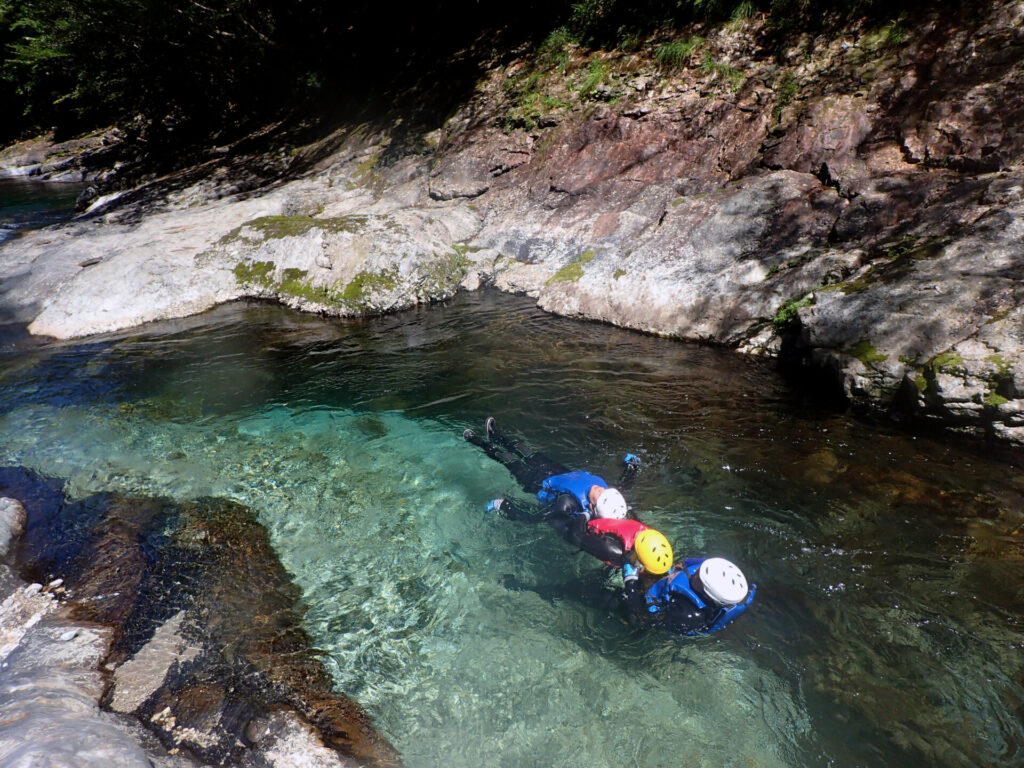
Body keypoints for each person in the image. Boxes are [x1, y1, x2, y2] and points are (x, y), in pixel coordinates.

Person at [463, 416, 644, 566]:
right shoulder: (608, 495)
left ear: (591, 505)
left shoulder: (568, 503)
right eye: (605, 490)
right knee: (528, 451)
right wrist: (632, 467)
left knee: (507, 459)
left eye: (599, 494)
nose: (600, 488)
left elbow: (534, 516)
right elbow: (625, 484)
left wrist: (503, 506)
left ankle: (477, 442)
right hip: (558, 471)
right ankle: (496, 435)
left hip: (535, 481)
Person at [623, 529, 756, 635]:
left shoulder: (688, 615)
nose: (696, 570)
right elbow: (686, 564)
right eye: (701, 569)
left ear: (705, 595)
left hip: (670, 617)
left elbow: (643, 619)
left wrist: (630, 582)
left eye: (698, 576)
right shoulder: (710, 569)